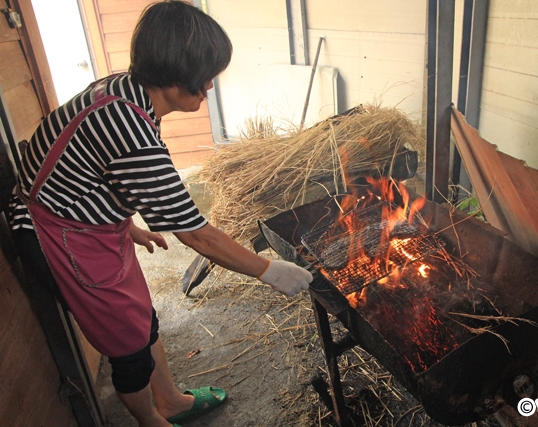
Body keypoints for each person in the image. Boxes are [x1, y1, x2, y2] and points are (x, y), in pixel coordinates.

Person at [8, 1, 312, 426]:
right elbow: (197, 235)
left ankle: (169, 400)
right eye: (204, 75)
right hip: (59, 237)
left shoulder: (123, 90)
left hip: (85, 222)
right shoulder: (128, 125)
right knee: (127, 345)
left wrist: (125, 223)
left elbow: (84, 167)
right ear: (174, 72)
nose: (208, 86)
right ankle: (151, 421)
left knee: (141, 316)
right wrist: (270, 270)